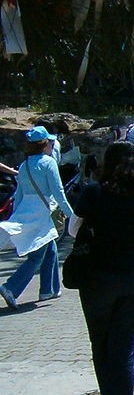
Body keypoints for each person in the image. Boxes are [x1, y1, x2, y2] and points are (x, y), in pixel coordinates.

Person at [70, 141, 134, 395]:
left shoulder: (93, 193)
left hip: (97, 281)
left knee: (103, 350)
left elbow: (72, 230)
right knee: (123, 350)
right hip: (132, 281)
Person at [1, 126, 76, 307]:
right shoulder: (48, 163)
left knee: (50, 248)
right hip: (41, 213)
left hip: (27, 212)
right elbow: (58, 192)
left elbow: (19, 194)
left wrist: (16, 217)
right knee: (37, 256)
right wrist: (72, 216)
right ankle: (11, 287)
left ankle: (48, 290)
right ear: (45, 145)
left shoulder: (25, 165)